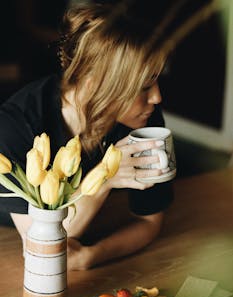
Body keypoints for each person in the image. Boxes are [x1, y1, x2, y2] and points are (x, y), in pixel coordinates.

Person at [0, 3, 173, 270]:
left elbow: (150, 222)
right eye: (143, 87)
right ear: (95, 86)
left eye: (156, 81)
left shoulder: (143, 119)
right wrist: (106, 177)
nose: (157, 97)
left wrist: (92, 256)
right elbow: (44, 244)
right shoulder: (17, 125)